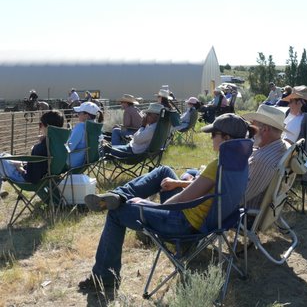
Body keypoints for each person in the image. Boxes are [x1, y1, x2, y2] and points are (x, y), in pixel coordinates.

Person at [79, 113, 252, 290]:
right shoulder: (240, 163)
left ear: (227, 138)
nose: (210, 138)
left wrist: (149, 206)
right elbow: (204, 188)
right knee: (164, 171)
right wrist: (175, 184)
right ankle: (119, 195)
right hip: (204, 220)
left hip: (182, 224)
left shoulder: (218, 165)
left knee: (117, 212)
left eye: (213, 134)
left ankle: (104, 278)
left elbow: (184, 198)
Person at [0, 111, 65, 193]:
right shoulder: (60, 144)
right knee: (4, 156)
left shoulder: (39, 148)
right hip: (49, 178)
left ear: (47, 127)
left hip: (29, 181)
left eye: (40, 124)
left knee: (1, 159)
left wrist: (19, 167)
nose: (39, 127)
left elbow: (32, 178)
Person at [67, 102, 103, 168]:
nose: (77, 115)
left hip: (74, 161)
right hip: (89, 160)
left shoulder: (81, 126)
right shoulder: (96, 127)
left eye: (79, 113)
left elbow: (69, 147)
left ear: (86, 116)